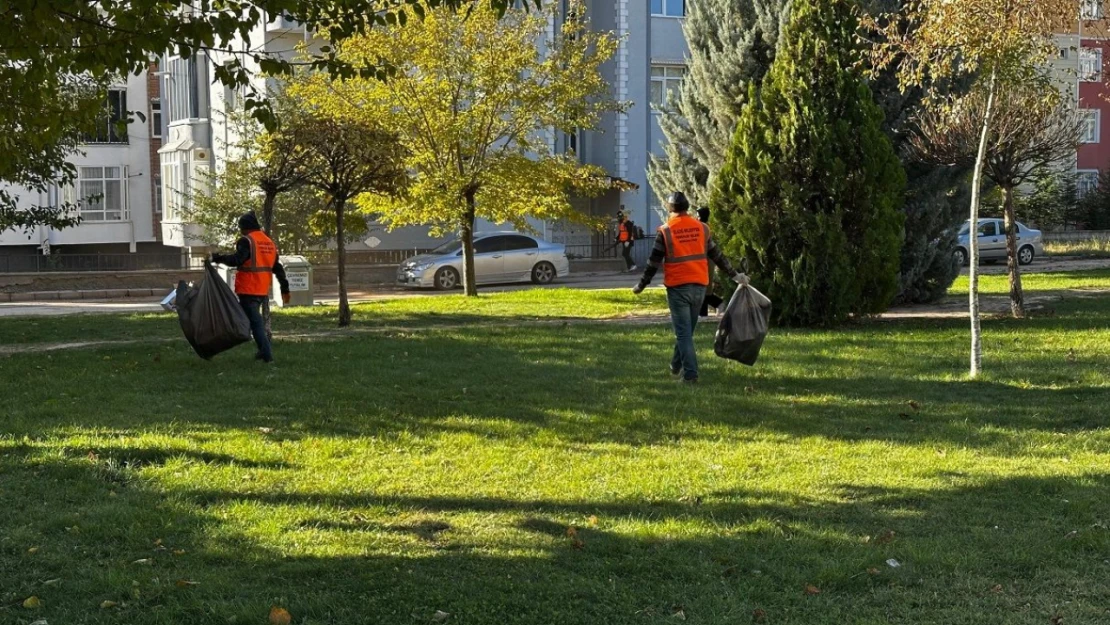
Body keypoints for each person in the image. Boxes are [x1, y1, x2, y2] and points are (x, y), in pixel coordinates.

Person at [632, 192, 747, 384]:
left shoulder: (666, 231)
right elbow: (717, 255)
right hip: (700, 287)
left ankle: (690, 375)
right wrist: (735, 275)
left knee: (684, 333)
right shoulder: (701, 228)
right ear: (687, 207)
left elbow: (653, 262)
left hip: (678, 288)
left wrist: (641, 285)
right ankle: (675, 366)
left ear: (670, 209)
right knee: (687, 331)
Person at [211, 212, 290, 364]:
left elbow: (237, 259)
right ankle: (262, 351)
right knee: (251, 320)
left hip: (248, 288)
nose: (240, 231)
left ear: (246, 228)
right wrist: (285, 288)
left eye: (241, 228)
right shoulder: (268, 243)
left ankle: (267, 356)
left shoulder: (247, 241)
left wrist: (218, 258)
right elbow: (277, 268)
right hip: (261, 290)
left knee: (254, 323)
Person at [696, 206, 725, 317]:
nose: (697, 217)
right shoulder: (705, 227)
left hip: (706, 260)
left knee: (704, 289)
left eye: (698, 215)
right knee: (703, 289)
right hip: (704, 260)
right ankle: (704, 313)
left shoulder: (703, 228)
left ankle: (709, 310)